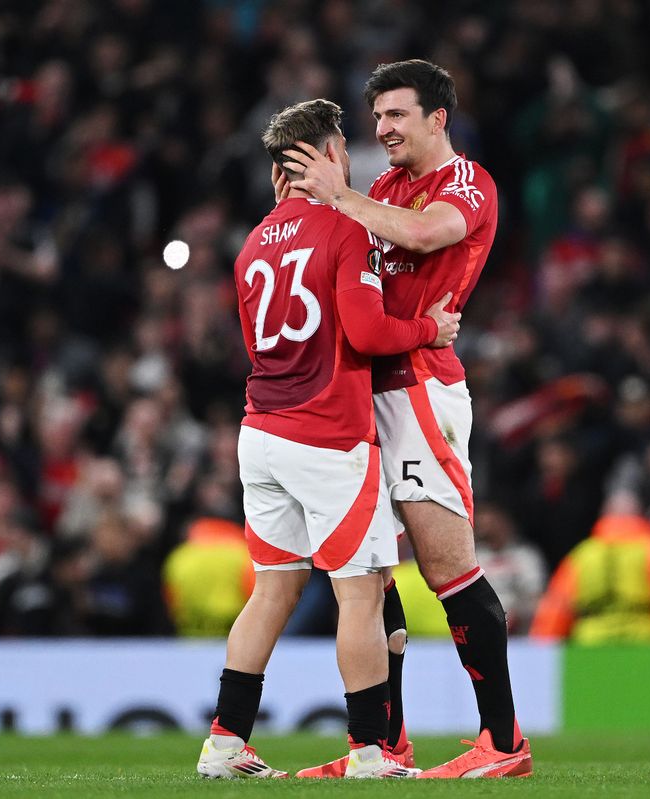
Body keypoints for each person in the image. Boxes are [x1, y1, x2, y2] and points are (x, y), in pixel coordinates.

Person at [195, 98, 458, 780]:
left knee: (272, 590)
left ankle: (224, 742)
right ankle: (370, 749)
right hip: (328, 437)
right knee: (360, 591)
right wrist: (430, 329)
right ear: (325, 157)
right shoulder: (345, 231)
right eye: (344, 147)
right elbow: (367, 335)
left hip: (261, 431)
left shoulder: (251, 243)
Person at [281, 59, 530, 779]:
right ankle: (385, 744)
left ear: (437, 119)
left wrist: (343, 198)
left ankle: (504, 741)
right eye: (378, 116)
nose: (382, 129)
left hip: (421, 388)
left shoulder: (468, 184)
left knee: (446, 564)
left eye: (396, 115)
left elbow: (424, 237)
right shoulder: (383, 190)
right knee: (371, 572)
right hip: (361, 391)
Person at [528, 507, 650, 643]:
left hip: (589, 649)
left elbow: (554, 612)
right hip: (646, 649)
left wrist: (541, 652)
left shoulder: (581, 556)